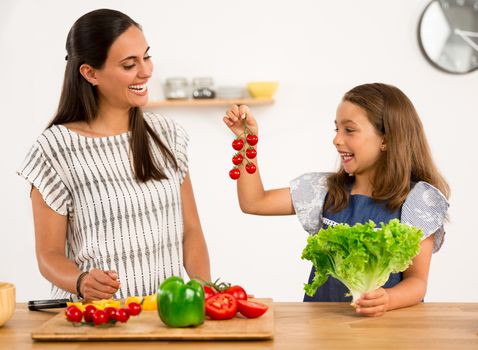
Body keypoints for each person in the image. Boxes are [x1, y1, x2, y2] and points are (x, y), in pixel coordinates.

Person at [17, 9, 210, 301]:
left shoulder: (167, 135)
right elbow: (48, 255)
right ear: (90, 73)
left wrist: (205, 295)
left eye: (146, 57)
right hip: (93, 322)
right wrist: (81, 281)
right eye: (129, 64)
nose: (145, 71)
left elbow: (191, 231)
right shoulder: (54, 149)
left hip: (163, 317)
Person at [223, 83, 449, 317]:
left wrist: (388, 299)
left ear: (386, 139)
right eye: (336, 129)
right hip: (323, 328)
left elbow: (417, 282)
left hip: (384, 332)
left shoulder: (417, 201)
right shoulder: (324, 190)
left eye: (349, 130)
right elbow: (254, 202)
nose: (336, 140)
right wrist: (247, 140)